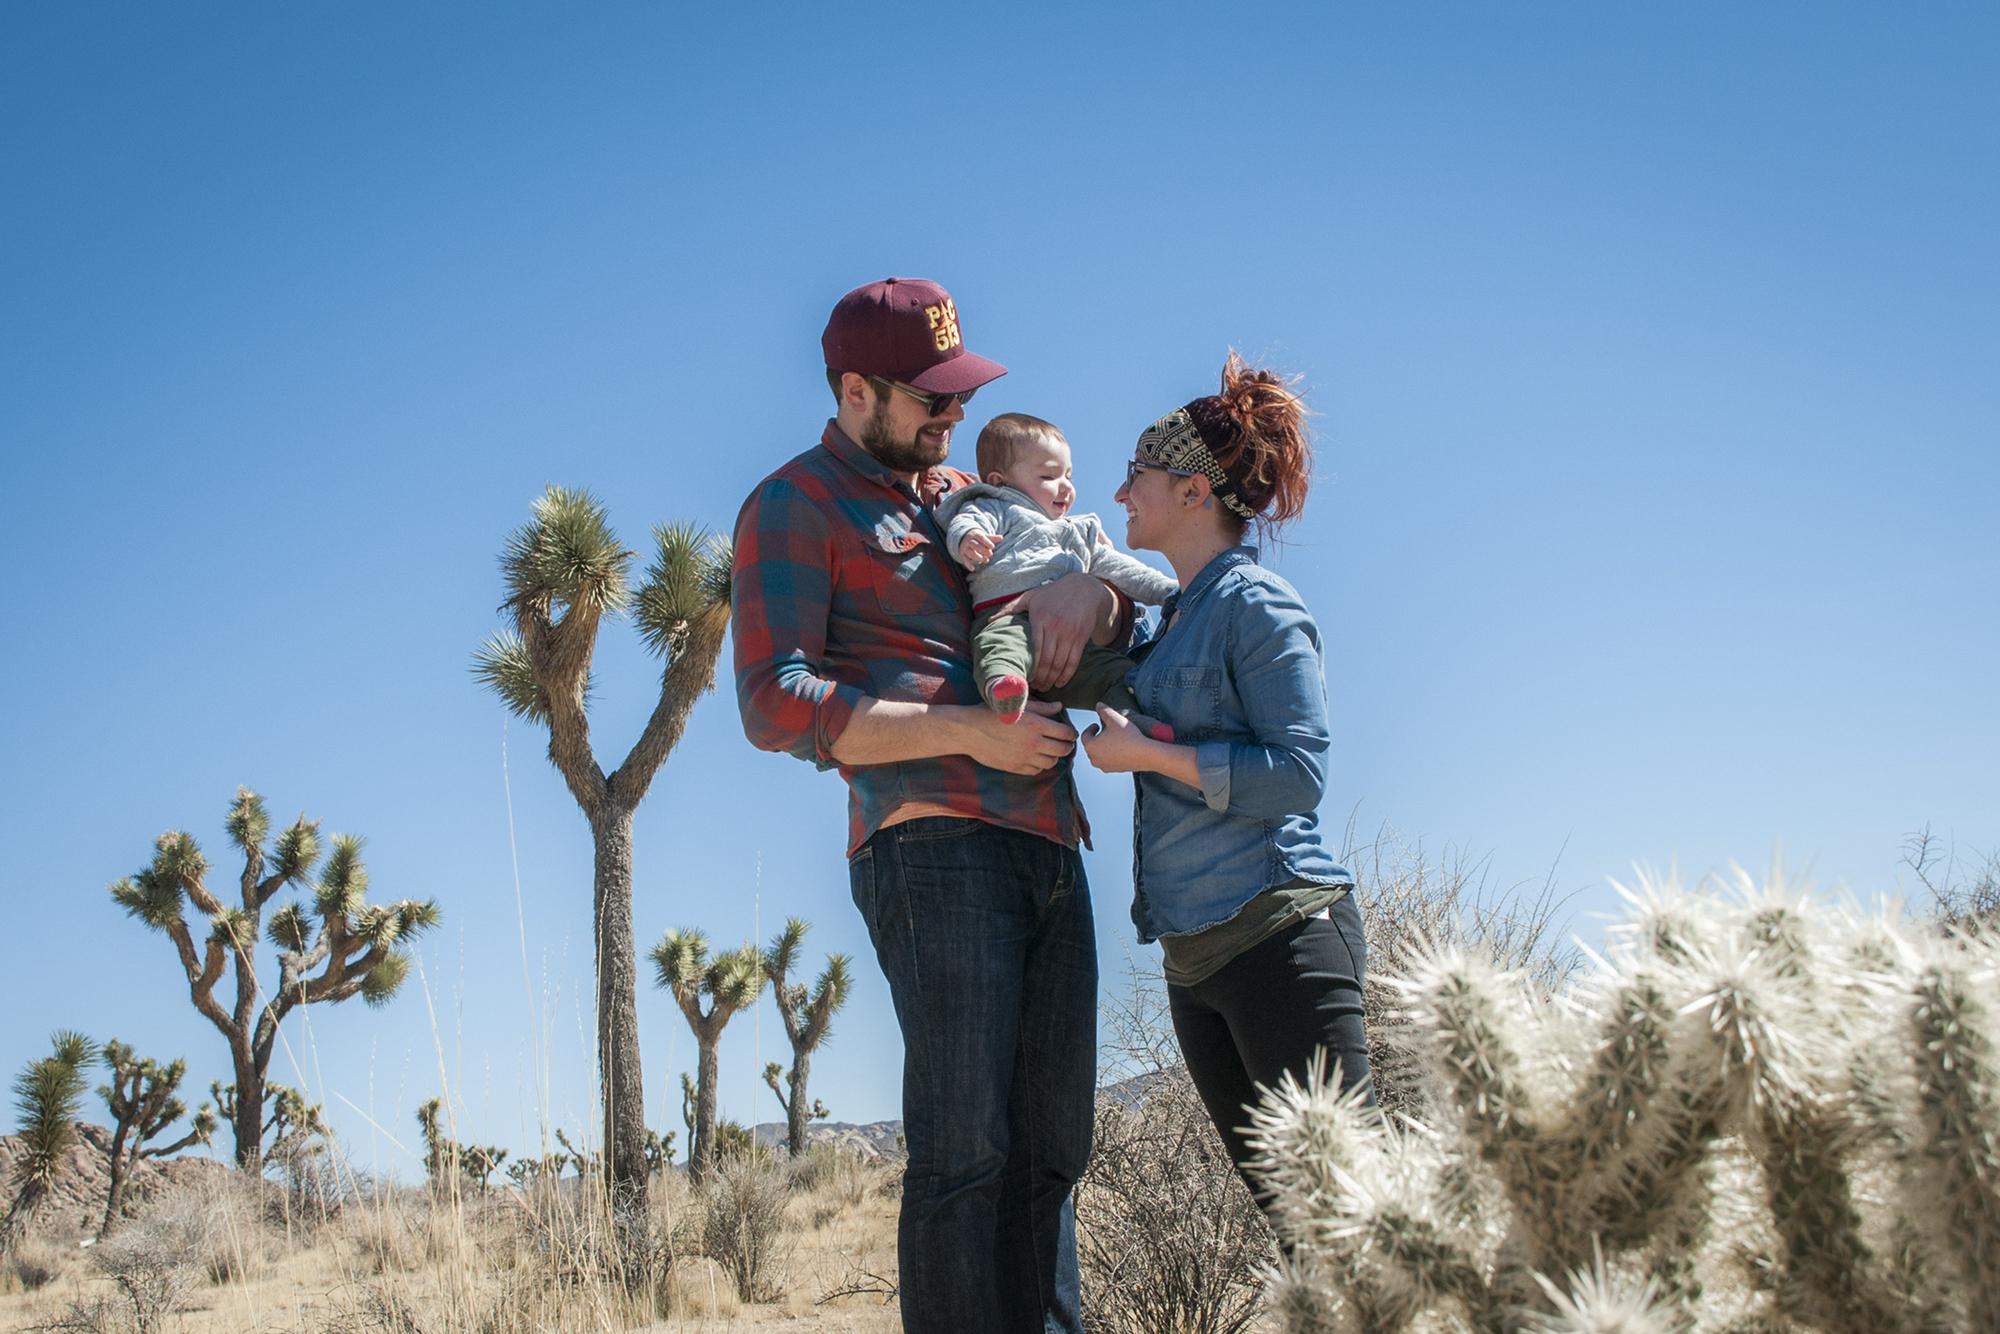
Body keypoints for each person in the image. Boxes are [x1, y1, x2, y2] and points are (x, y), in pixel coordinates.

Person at [730, 277, 1125, 1333]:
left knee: (1052, 1144)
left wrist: (1097, 590)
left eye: (958, 398)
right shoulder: (792, 503)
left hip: (1047, 833)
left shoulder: (967, 492)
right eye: (929, 400)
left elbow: (1067, 570)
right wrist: (968, 730)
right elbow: (774, 701)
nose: (950, 418)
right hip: (931, 844)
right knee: (965, 1149)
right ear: (855, 389)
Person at [1079, 352, 1371, 1213]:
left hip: (1280, 938)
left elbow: (1300, 774)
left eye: (1139, 475)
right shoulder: (1177, 621)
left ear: (1195, 492)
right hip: (1194, 963)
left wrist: (1152, 758)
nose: (1123, 492)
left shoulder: (1257, 604)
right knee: (1297, 1231)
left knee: (1348, 1225)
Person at [935, 411, 1178, 735]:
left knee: (1119, 675)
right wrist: (968, 539)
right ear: (1000, 481)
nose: (1065, 487)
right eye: (1049, 477)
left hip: (1071, 646)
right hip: (1007, 616)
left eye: (1068, 476)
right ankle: (1005, 691)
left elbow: (1121, 569)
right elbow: (966, 523)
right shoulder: (997, 506)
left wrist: (1171, 591)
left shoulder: (1075, 532)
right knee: (997, 648)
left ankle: (1141, 726)